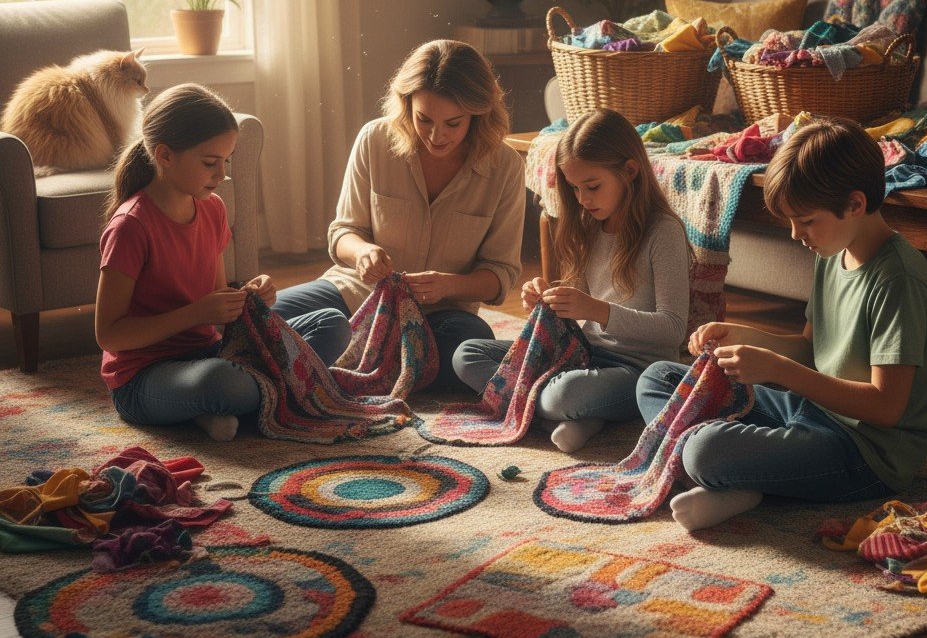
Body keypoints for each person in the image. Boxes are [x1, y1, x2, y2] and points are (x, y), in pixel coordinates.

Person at [636, 116, 927, 531]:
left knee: (703, 450)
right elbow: (811, 350)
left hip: (864, 452)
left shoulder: (898, 280)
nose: (798, 235)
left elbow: (885, 408)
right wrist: (749, 339)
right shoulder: (831, 252)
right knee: (657, 378)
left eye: (807, 220)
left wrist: (778, 370)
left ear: (855, 204)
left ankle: (738, 476)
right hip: (812, 411)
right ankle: (744, 476)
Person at [95, 84, 351, 441]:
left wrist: (246, 297)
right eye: (209, 163)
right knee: (222, 383)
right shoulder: (131, 226)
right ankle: (261, 395)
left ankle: (222, 409)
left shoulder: (212, 207)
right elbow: (110, 333)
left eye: (226, 161)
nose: (221, 175)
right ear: (165, 155)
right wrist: (196, 314)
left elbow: (215, 298)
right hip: (145, 376)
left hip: (210, 350)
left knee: (332, 324)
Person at [281, 39, 525, 389]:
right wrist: (362, 252)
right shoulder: (375, 140)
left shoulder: (505, 167)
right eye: (423, 119)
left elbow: (500, 273)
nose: (436, 136)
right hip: (355, 293)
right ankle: (385, 361)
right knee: (265, 317)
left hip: (442, 316)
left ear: (479, 113)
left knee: (467, 351)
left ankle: (341, 361)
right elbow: (343, 232)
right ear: (405, 103)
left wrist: (449, 286)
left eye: (453, 124)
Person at [454, 107, 690, 452]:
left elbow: (672, 329)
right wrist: (548, 296)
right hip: (582, 355)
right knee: (468, 355)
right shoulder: (590, 224)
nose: (582, 199)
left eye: (592, 186)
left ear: (630, 171)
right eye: (575, 188)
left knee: (562, 393)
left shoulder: (663, 231)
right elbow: (577, 298)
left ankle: (564, 410)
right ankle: (580, 418)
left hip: (638, 371)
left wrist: (597, 310)